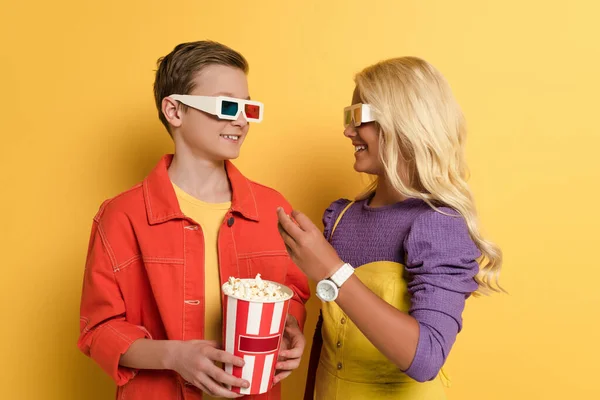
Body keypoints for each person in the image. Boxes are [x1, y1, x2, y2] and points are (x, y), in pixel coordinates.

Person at [78, 40, 310, 400]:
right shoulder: (122, 215)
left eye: (248, 107)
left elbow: (293, 291)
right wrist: (175, 356)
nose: (241, 119)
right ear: (174, 110)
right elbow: (100, 329)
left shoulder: (272, 208)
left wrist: (291, 327)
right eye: (227, 105)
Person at [276, 56, 503, 399]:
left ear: (405, 123)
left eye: (358, 117)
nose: (347, 131)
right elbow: (329, 338)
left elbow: (426, 357)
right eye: (347, 117)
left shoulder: (438, 224)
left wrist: (331, 271)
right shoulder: (341, 217)